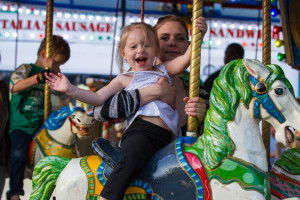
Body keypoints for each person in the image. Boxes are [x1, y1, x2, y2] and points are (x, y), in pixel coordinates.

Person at [46, 21, 205, 200]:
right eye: (133, 46)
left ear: (155, 50)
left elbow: (186, 60)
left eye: (146, 45)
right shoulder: (124, 79)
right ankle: (108, 196)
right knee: (132, 159)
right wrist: (70, 89)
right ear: (124, 53)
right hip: (142, 131)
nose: (140, 50)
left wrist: (199, 34)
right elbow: (98, 99)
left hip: (168, 138)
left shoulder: (163, 71)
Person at [94, 15, 209, 136]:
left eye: (180, 39)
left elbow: (215, 139)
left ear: (189, 45)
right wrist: (154, 91)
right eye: (164, 38)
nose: (172, 43)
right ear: (153, 44)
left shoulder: (199, 93)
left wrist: (201, 120)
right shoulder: (129, 82)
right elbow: (98, 112)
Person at [7, 35, 70, 200]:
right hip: (22, 123)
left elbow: (63, 92)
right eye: (56, 62)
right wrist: (38, 77)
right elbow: (15, 86)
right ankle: (14, 192)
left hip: (41, 125)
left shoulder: (50, 74)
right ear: (44, 54)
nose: (57, 67)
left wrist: (55, 73)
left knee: (59, 152)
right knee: (19, 153)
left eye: (60, 65)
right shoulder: (26, 69)